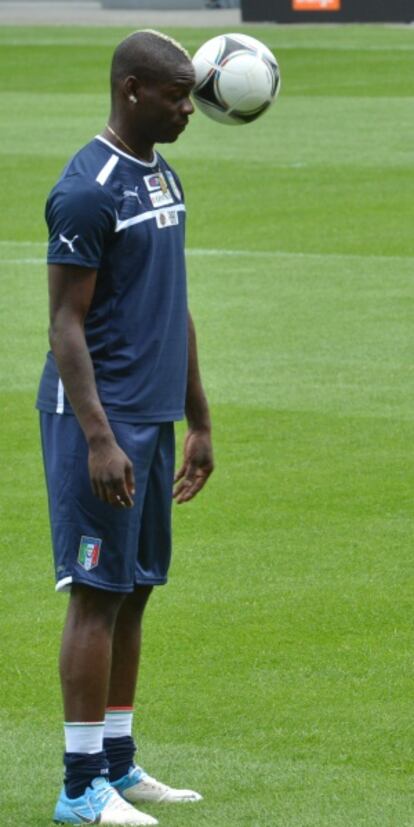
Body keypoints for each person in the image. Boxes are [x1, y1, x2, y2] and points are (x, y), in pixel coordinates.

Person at [36, 29, 213, 827]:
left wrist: (199, 416)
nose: (189, 108)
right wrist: (101, 437)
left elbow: (172, 304)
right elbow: (65, 326)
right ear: (133, 89)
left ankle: (117, 762)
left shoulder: (162, 175)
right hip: (97, 422)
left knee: (134, 592)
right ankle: (78, 789)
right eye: (176, 96)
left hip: (152, 415)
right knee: (96, 595)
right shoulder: (88, 188)